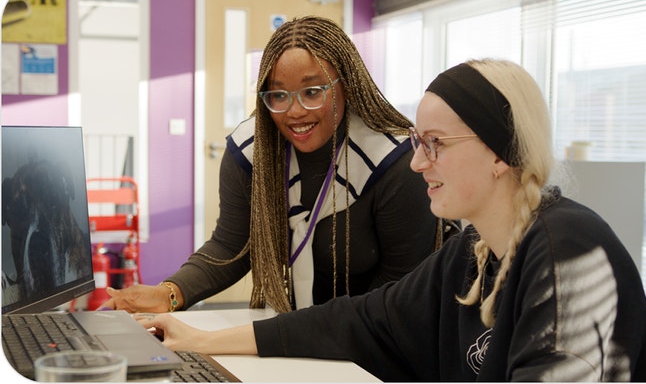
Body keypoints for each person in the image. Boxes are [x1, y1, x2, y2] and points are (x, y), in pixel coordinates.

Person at [137, 59, 646, 381]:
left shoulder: (567, 252)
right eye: (417, 142)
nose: (416, 163)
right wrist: (200, 341)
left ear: (500, 152)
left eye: (435, 144)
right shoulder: (472, 252)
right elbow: (359, 320)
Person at [102, 16, 449, 314]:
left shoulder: (397, 162)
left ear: (345, 85)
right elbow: (231, 247)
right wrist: (169, 293)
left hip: (387, 330)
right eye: (278, 95)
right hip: (310, 329)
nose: (294, 112)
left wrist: (311, 336)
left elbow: (402, 286)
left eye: (312, 92)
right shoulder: (251, 152)